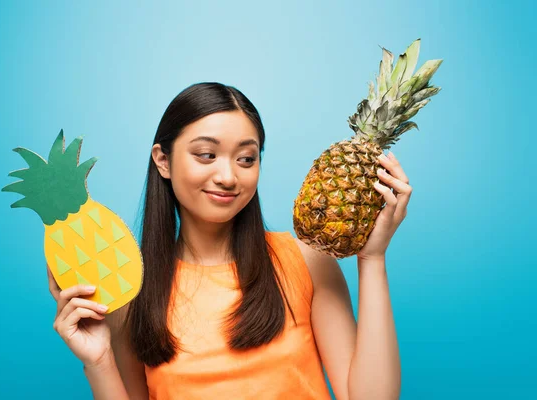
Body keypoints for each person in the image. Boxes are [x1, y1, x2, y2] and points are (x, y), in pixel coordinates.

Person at [47, 82, 410, 399]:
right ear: (163, 161)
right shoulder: (131, 288)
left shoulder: (306, 260)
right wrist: (98, 360)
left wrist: (372, 258)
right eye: (206, 155)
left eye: (246, 158)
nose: (228, 176)